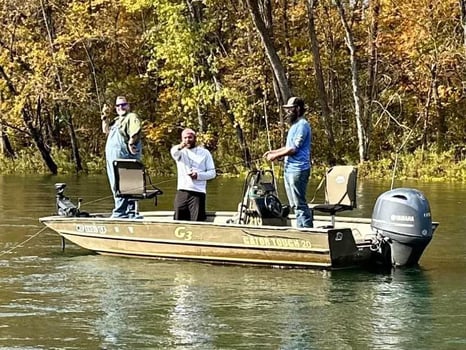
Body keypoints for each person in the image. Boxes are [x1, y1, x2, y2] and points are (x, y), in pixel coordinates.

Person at [263, 96, 314, 228]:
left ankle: (307, 230)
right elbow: (287, 147)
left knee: (299, 203)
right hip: (289, 169)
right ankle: (301, 228)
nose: (288, 112)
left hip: (298, 170)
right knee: (293, 204)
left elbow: (293, 148)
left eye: (290, 109)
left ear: (298, 109)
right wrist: (273, 152)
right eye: (287, 109)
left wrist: (276, 156)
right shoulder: (294, 126)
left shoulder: (303, 125)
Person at [101, 96, 142, 218]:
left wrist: (131, 143)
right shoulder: (116, 120)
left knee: (126, 185)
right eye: (118, 106)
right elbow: (105, 131)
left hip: (124, 158)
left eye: (123, 105)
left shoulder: (131, 117)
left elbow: (135, 131)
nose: (121, 107)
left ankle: (124, 213)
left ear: (128, 105)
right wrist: (104, 118)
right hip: (112, 160)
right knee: (116, 185)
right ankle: (123, 211)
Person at [170, 128, 216, 221]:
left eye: (190, 137)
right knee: (178, 219)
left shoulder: (205, 153)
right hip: (182, 191)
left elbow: (212, 173)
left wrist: (198, 175)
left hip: (198, 193)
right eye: (185, 138)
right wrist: (180, 146)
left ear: (195, 138)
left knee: (197, 221)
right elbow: (173, 152)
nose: (187, 140)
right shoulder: (180, 152)